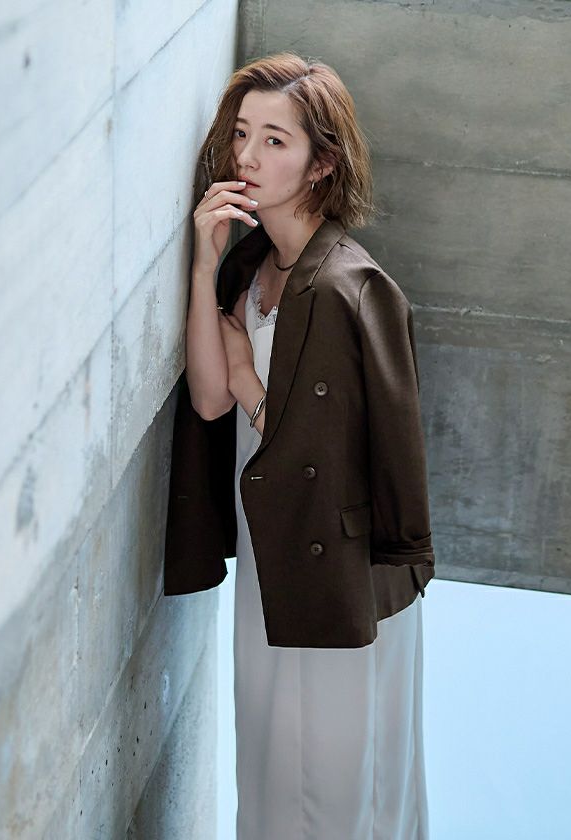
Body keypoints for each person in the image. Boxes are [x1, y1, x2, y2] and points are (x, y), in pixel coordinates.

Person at [171, 52, 433, 839]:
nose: (246, 156)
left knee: (334, 781)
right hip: (274, 547)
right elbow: (208, 400)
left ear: (322, 163)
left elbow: (346, 455)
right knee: (270, 765)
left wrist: (247, 375)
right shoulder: (250, 269)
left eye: (274, 140)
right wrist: (205, 263)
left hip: (340, 570)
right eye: (240, 133)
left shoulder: (354, 287)